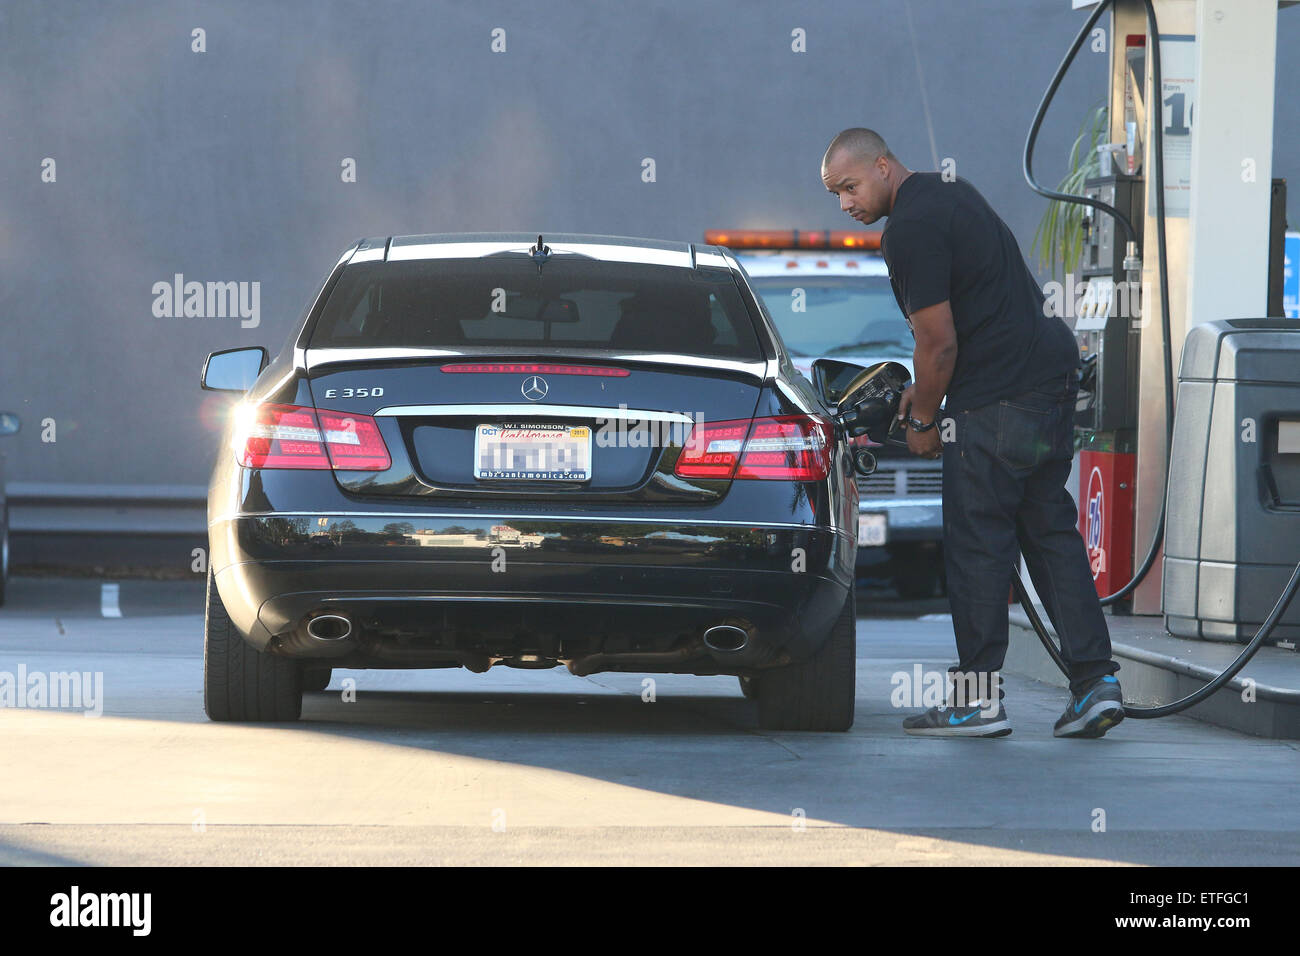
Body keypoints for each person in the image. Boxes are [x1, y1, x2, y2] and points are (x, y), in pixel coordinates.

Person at [820, 127, 1125, 739]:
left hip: (996, 398)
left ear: (883, 166)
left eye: (850, 187)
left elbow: (938, 342)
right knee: (1049, 533)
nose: (846, 203)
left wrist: (924, 421)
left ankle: (977, 700)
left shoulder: (908, 229)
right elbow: (973, 317)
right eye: (836, 195)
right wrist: (925, 393)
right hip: (1048, 382)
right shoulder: (952, 191)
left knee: (977, 543)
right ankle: (1096, 685)